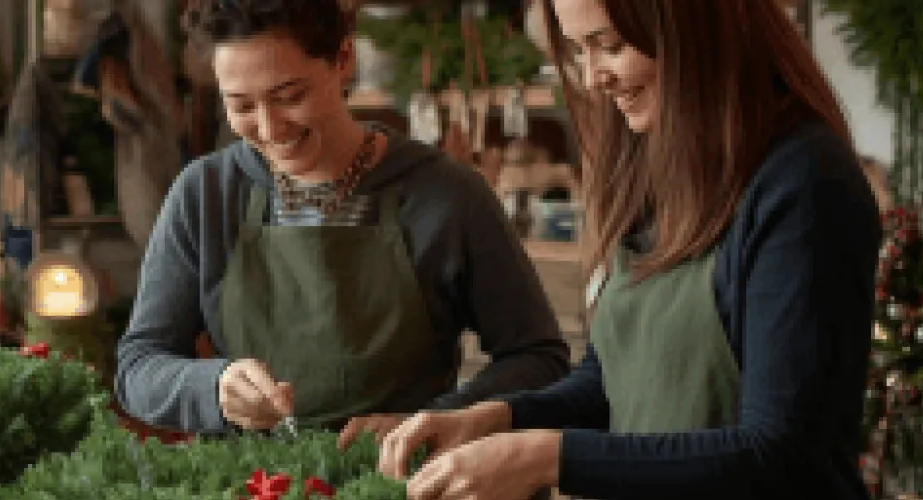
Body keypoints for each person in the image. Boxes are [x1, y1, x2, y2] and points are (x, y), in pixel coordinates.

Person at [358, 1, 881, 499]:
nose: (591, 78)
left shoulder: (806, 185)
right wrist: (495, 419)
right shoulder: (662, 165)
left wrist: (544, 457)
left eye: (607, 46)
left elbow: (779, 453)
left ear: (690, 27)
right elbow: (615, 377)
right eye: (579, 50)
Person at [114, 0, 571, 437]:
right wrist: (213, 389)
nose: (272, 130)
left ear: (343, 59)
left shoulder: (448, 195)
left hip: (403, 477)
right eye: (242, 106)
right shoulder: (204, 194)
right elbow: (138, 367)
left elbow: (538, 357)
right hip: (253, 484)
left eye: (290, 95)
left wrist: (436, 421)